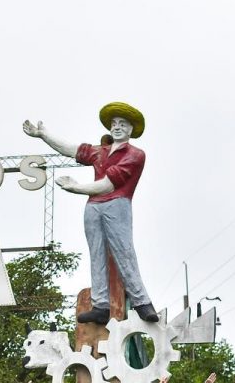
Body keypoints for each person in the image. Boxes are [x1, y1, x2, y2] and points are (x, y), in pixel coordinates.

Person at [23, 104, 160, 324]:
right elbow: (72, 149)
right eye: (114, 124)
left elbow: (108, 185)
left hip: (117, 204)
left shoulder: (135, 155)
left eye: (122, 124)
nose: (117, 128)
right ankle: (100, 305)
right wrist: (43, 135)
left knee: (123, 252)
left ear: (131, 130)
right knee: (96, 254)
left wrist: (75, 187)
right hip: (93, 206)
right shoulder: (101, 151)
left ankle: (142, 302)